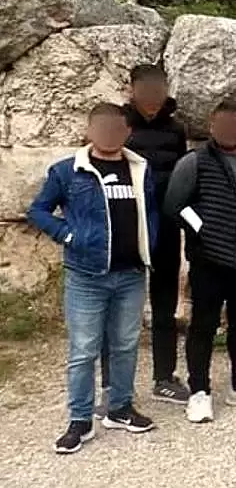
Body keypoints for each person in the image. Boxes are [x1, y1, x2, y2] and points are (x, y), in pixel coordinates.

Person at [29, 103, 158, 454]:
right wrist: (68, 236)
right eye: (102, 128)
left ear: (126, 131)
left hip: (131, 273)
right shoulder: (67, 171)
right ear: (89, 130)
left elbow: (151, 211)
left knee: (125, 345)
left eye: (116, 128)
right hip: (87, 275)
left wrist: (152, 242)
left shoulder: (140, 168)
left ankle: (119, 408)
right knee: (84, 350)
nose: (109, 134)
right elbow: (38, 210)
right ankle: (80, 420)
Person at [166, 102, 236, 421]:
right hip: (211, 262)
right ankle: (199, 392)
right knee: (203, 326)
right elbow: (176, 206)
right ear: (212, 127)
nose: (230, 130)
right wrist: (204, 230)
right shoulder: (195, 162)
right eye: (223, 124)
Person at [117, 65, 189, 406]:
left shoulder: (176, 129)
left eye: (158, 87)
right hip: (126, 228)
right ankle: (116, 387)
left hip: (166, 227)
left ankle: (164, 377)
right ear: (132, 89)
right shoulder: (119, 124)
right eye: (145, 87)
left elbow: (181, 178)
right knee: (119, 309)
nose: (152, 94)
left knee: (164, 305)